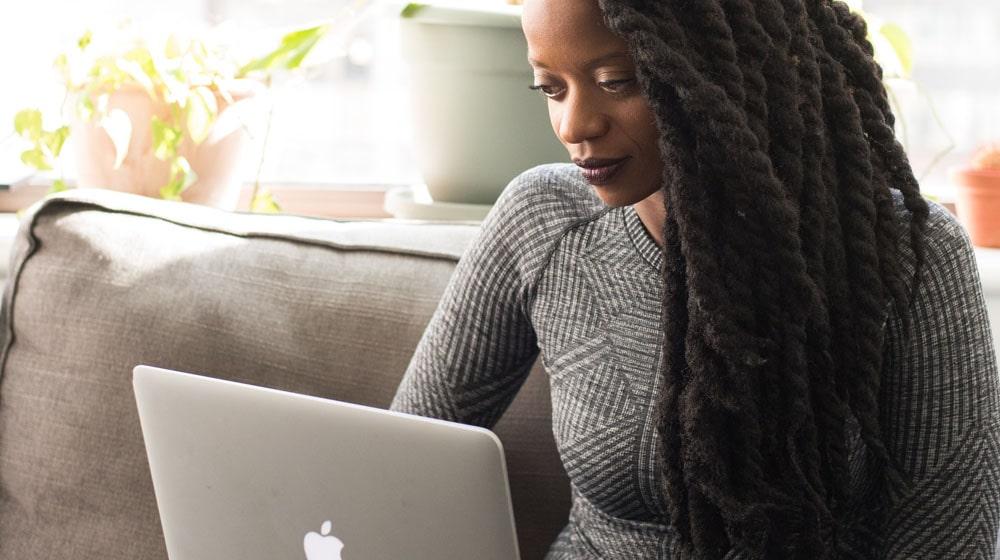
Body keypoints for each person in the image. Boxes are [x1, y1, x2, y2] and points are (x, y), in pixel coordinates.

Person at [390, 0, 1000, 558]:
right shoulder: (542, 219)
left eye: (616, 82)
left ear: (728, 69)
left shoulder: (906, 254)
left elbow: (946, 538)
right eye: (550, 88)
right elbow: (403, 454)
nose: (576, 126)